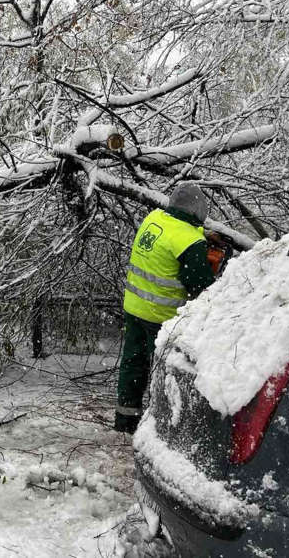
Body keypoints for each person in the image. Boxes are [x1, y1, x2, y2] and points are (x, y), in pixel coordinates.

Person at [114, 183, 215, 434]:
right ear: (198, 210)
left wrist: (202, 236)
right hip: (161, 317)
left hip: (134, 307)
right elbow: (200, 285)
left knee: (133, 364)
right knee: (165, 372)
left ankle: (125, 420)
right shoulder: (189, 240)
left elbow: (174, 234)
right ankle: (160, 426)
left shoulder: (154, 218)